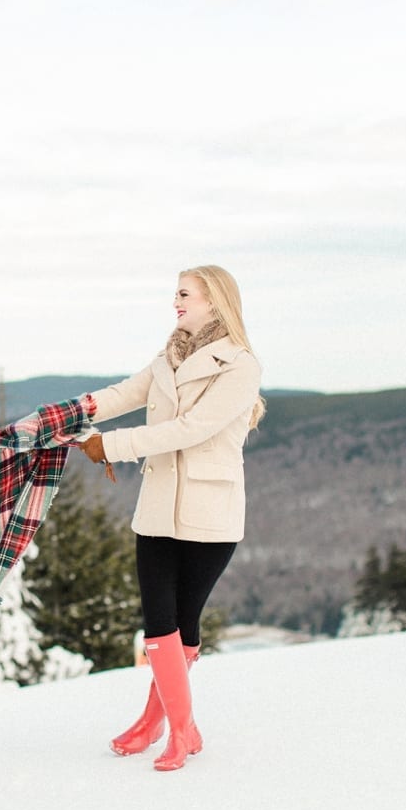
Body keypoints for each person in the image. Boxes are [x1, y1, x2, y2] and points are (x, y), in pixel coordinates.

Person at [76, 265, 265, 772]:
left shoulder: (241, 366)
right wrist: (75, 411)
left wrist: (110, 445)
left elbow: (192, 429)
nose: (175, 303)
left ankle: (174, 731)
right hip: (157, 512)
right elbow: (125, 393)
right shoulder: (168, 356)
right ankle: (171, 727)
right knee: (159, 624)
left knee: (183, 624)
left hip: (210, 517)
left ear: (213, 300)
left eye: (183, 295)